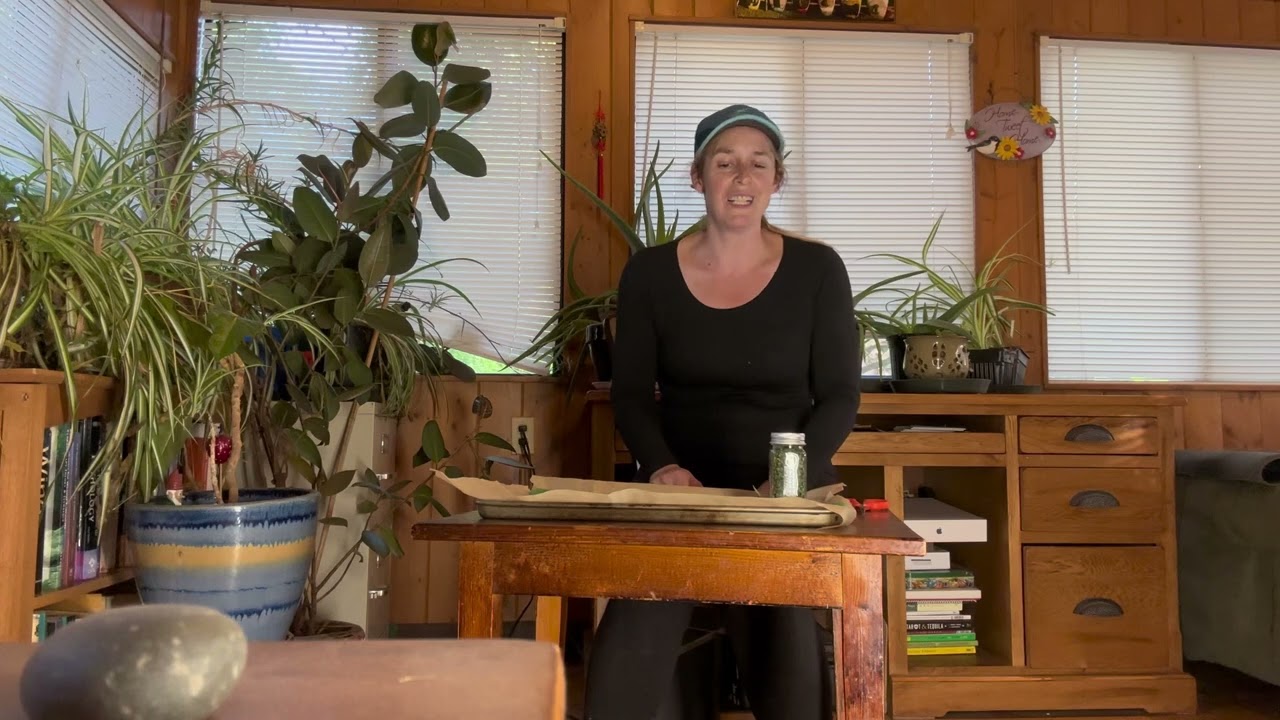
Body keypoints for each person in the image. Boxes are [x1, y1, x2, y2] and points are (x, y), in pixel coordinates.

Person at [584, 104, 860, 719]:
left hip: (783, 492)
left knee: (787, 650)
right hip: (677, 489)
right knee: (629, 648)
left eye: (758, 164)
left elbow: (841, 395)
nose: (742, 177)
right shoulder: (649, 273)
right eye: (725, 162)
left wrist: (783, 484)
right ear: (697, 176)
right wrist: (661, 467)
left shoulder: (818, 270)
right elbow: (629, 395)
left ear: (776, 180)